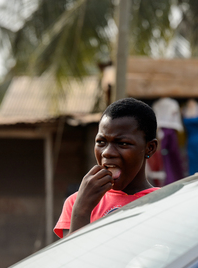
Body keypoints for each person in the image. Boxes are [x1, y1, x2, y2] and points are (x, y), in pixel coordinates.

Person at [54, 97, 159, 238]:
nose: (107, 152)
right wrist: (81, 212)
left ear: (149, 148)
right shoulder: (77, 202)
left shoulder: (164, 202)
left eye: (123, 143)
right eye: (101, 142)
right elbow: (73, 258)